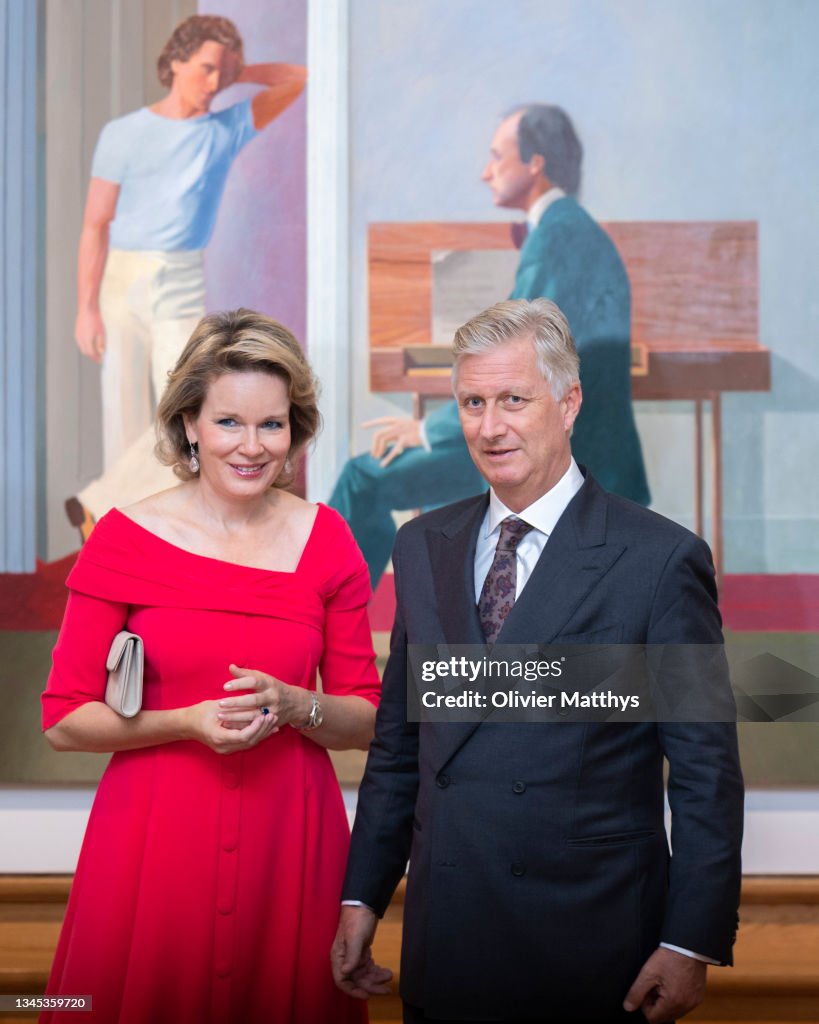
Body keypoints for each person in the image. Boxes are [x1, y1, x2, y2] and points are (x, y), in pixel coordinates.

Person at [331, 299, 743, 1023]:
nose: (490, 427)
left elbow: (706, 772)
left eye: (513, 400)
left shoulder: (659, 559)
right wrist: (363, 893)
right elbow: (399, 746)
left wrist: (691, 939)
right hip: (447, 936)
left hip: (594, 942)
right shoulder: (422, 547)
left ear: (568, 400)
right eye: (472, 403)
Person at [43, 310, 379, 1023]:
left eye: (272, 425)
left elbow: (366, 718)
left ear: (295, 430)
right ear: (189, 423)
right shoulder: (123, 540)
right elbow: (65, 718)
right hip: (151, 842)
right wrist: (184, 723)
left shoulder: (328, 541)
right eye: (229, 422)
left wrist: (297, 705)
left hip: (291, 843)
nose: (252, 447)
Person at [329, 103, 649, 591]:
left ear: (535, 163)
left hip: (556, 454)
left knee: (363, 477)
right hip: (554, 439)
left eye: (497, 157)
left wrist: (426, 428)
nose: (485, 172)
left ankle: (327, 619)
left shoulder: (558, 235)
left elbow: (516, 367)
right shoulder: (567, 228)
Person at [67, 15, 306, 541]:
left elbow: (297, 79)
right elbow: (94, 223)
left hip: (177, 277)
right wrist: (85, 306)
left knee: (182, 409)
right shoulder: (123, 133)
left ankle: (99, 507)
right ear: (174, 62)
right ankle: (120, 536)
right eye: (205, 68)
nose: (215, 82)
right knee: (123, 415)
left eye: (225, 71)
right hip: (120, 279)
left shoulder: (229, 126)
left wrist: (241, 68)